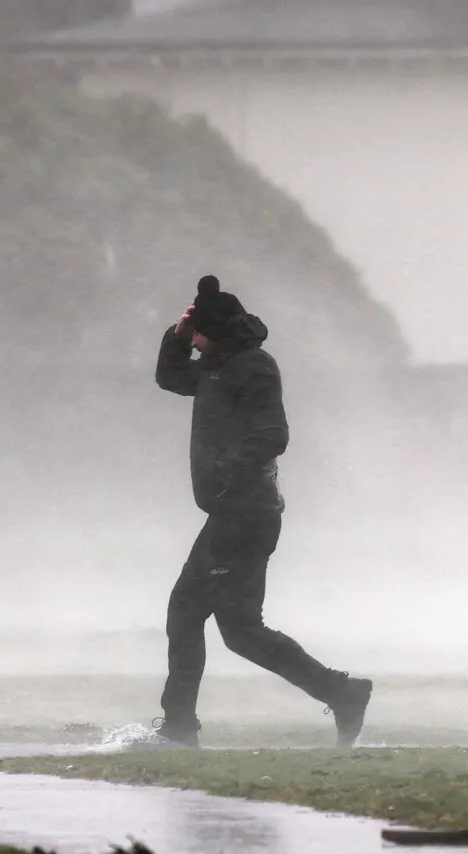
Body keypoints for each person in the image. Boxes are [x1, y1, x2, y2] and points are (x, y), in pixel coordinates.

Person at [151, 274, 372, 749]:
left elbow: (275, 435)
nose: (195, 341)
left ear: (213, 332)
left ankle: (341, 691)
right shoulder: (215, 367)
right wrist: (178, 336)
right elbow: (169, 377)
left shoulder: (251, 367)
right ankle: (179, 726)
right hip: (231, 512)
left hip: (245, 513)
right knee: (197, 615)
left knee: (236, 628)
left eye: (198, 333)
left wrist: (227, 475)